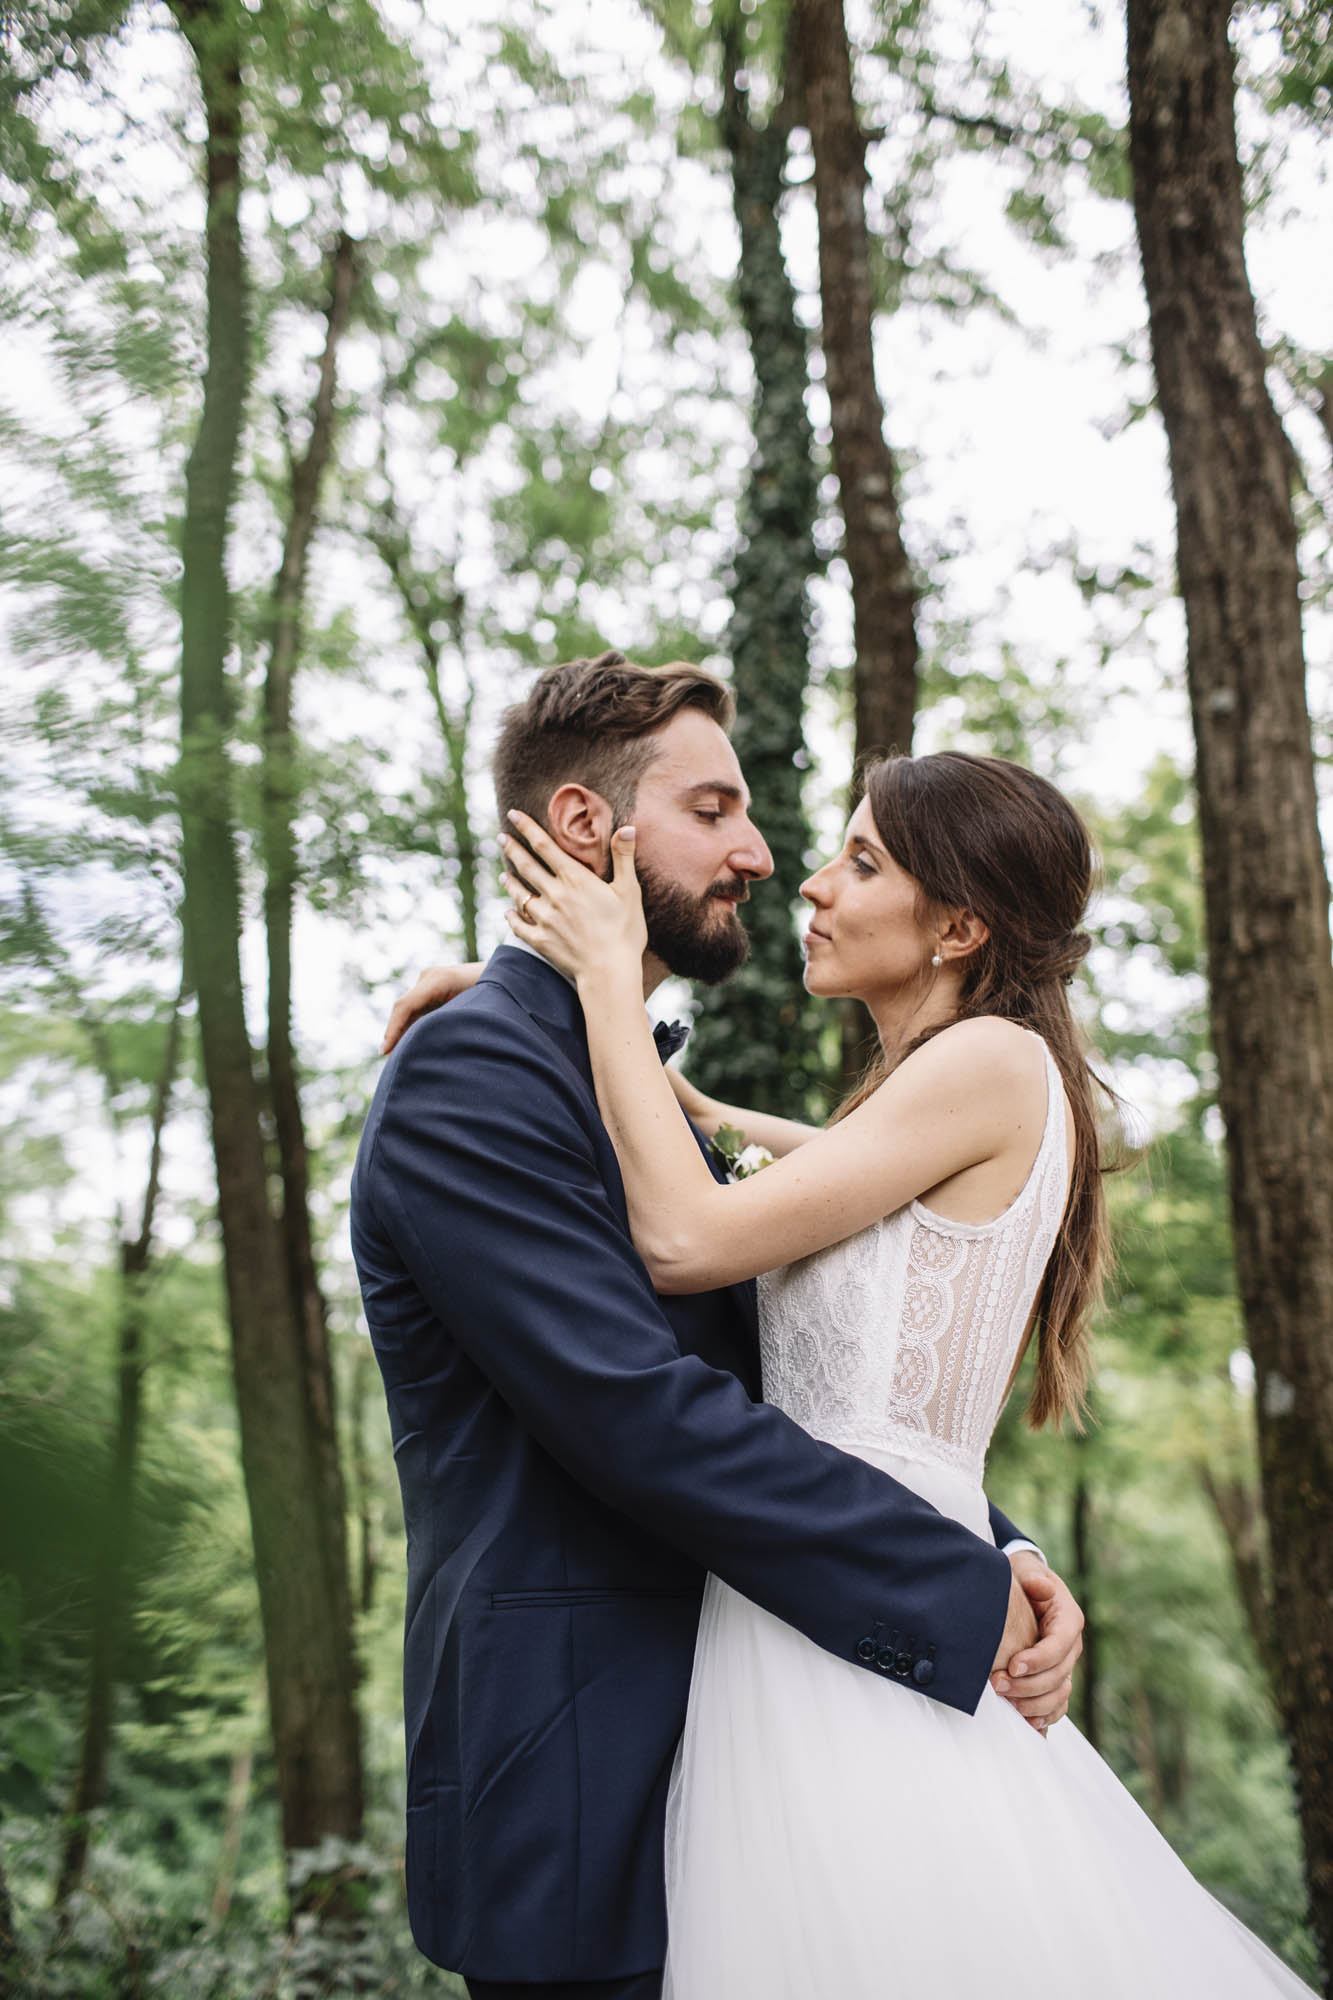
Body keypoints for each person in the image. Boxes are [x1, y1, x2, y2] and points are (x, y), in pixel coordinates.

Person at [487, 747, 1317, 1999]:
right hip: (819, 1591)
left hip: (853, 1612)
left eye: (862, 860)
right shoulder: (935, 1089)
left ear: (960, 925)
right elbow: (769, 1153)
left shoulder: (985, 1062)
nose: (810, 884)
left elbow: (684, 1237)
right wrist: (520, 1027)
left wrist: (607, 977)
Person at [352, 652, 1084, 2000]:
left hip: (776, 1754)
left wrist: (999, 1540)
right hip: (588, 1792)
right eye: (713, 810)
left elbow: (815, 1378)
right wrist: (957, 1587)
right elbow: (640, 1412)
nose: (763, 852)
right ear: (589, 830)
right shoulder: (471, 1080)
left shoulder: (631, 1091)